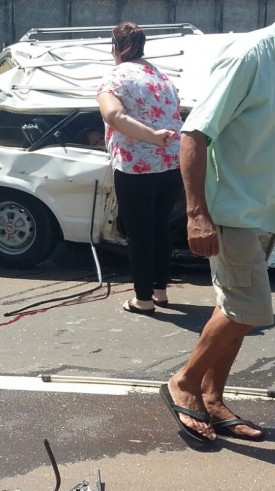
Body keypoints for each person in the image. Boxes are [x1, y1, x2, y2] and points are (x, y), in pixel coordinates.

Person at [162, 0, 275, 445]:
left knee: (234, 307)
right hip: (231, 210)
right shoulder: (252, 57)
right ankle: (184, 383)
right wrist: (196, 213)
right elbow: (195, 134)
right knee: (250, 309)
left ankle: (213, 395)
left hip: (268, 210)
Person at [97, 22, 183, 316]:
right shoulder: (163, 77)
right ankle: (160, 291)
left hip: (137, 168)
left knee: (140, 233)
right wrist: (161, 138)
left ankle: (143, 299)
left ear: (116, 48)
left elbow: (113, 114)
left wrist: (151, 136)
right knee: (161, 227)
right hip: (172, 164)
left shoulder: (116, 78)